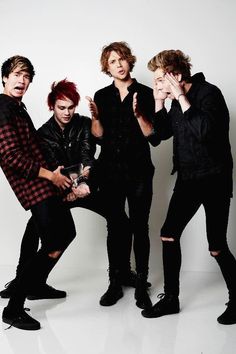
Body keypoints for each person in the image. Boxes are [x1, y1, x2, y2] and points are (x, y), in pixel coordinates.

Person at [0, 79, 138, 300]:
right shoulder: (42, 133)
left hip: (86, 186)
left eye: (71, 107)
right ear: (52, 106)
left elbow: (87, 155)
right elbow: (51, 165)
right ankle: (22, 281)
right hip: (59, 190)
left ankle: (119, 275)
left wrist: (83, 183)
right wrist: (69, 188)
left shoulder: (83, 124)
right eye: (61, 107)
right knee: (35, 227)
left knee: (120, 218)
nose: (66, 112)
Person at [141, 49, 236, 325]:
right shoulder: (171, 100)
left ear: (177, 76)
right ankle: (171, 299)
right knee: (169, 234)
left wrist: (180, 98)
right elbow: (160, 135)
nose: (156, 86)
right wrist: (159, 102)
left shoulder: (209, 94)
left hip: (215, 179)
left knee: (216, 246)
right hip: (188, 180)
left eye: (160, 80)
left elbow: (205, 132)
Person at [0, 56, 76, 330]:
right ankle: (14, 307)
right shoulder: (3, 108)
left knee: (66, 232)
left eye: (27, 76)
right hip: (33, 185)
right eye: (17, 74)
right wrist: (49, 175)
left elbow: (32, 148)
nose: (22, 80)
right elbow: (9, 156)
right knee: (56, 239)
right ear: (5, 77)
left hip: (44, 182)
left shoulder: (16, 108)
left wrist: (57, 173)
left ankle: (36, 284)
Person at [86, 42, 160, 309]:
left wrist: (140, 115)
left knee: (140, 226)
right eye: (112, 61)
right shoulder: (102, 95)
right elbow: (98, 137)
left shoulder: (147, 94)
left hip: (139, 172)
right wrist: (94, 117)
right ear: (107, 67)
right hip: (109, 172)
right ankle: (115, 282)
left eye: (121, 59)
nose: (118, 65)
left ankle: (141, 284)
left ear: (130, 61)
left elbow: (153, 138)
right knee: (115, 227)